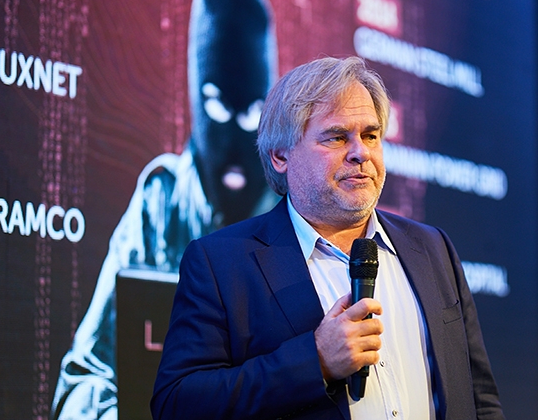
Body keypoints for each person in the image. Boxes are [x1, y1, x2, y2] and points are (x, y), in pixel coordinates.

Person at [151, 56, 505, 419]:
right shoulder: (221, 263)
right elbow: (177, 403)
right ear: (280, 156)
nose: (360, 153)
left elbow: (479, 398)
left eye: (370, 135)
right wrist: (315, 361)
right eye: (337, 137)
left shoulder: (431, 248)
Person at [52, 0, 278, 419]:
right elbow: (83, 377)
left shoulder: (298, 219)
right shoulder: (161, 203)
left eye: (254, 112)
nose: (235, 132)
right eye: (218, 105)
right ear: (198, 101)